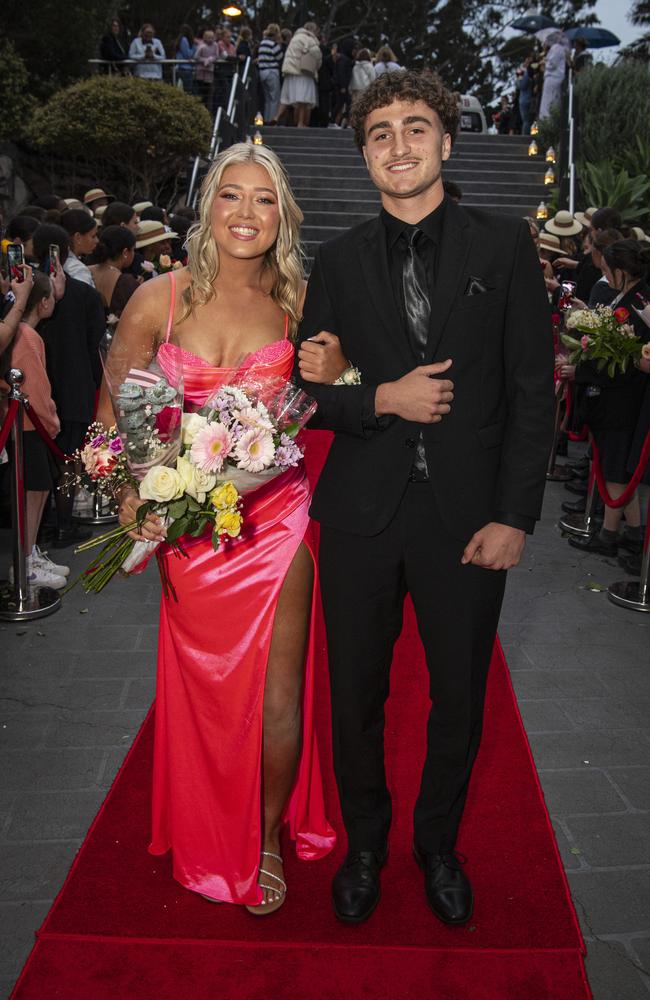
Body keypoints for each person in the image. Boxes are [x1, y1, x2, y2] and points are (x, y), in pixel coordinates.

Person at [295, 69, 554, 926]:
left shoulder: (503, 245)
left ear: (446, 140)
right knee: (356, 695)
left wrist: (515, 516)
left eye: (414, 128)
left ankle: (437, 844)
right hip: (362, 514)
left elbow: (530, 391)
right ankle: (366, 844)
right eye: (379, 133)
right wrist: (380, 398)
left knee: (459, 695)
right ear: (363, 154)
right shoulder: (333, 262)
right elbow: (306, 393)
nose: (398, 146)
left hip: (471, 519)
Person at [97, 143, 347, 913]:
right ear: (207, 206)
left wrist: (341, 374)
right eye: (231, 195)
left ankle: (266, 834)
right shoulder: (157, 300)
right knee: (208, 689)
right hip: (187, 530)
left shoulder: (305, 299)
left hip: (278, 522)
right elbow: (110, 421)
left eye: (264, 199)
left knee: (276, 693)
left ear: (284, 214)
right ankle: (208, 819)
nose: (246, 213)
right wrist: (129, 501)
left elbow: (340, 399)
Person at [568, 240, 650, 558]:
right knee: (614, 464)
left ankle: (610, 533)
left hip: (623, 397)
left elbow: (627, 356)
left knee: (616, 468)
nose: (603, 276)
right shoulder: (632, 296)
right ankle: (631, 531)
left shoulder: (638, 303)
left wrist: (583, 370)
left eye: (606, 271)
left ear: (619, 272)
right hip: (617, 395)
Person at [33, 224, 105, 548]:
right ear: (66, 252)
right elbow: (95, 346)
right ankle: (63, 524)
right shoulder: (86, 295)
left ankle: (45, 525)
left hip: (37, 387)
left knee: (45, 461)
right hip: (74, 385)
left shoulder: (27, 293)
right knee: (70, 458)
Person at [2, 272, 70, 588]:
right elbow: (37, 390)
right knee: (32, 493)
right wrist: (51, 421)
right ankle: (25, 562)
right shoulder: (28, 336)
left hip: (25, 424)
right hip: (29, 425)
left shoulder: (21, 332)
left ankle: (29, 554)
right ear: (42, 302)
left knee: (36, 491)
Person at [277, 22, 322, 129]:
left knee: (285, 98)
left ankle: (276, 118)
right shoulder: (309, 39)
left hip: (290, 71)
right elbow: (317, 54)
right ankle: (300, 123)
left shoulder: (295, 38)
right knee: (303, 100)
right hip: (303, 72)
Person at [89, 226, 139, 321]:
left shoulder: (85, 270)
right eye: (133, 250)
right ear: (125, 252)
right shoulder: (125, 282)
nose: (134, 254)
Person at [60, 209, 98, 286]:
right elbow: (85, 297)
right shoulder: (78, 270)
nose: (97, 240)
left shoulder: (55, 261)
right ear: (78, 237)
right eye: (93, 236)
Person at [257, 23, 283, 124]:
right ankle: (272, 120)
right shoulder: (274, 44)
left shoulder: (262, 43)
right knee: (274, 98)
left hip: (262, 72)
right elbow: (280, 57)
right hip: (272, 72)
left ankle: (266, 119)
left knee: (267, 98)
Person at [539, 36, 567, 120]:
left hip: (553, 79)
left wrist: (545, 63)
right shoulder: (555, 49)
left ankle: (548, 121)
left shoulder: (557, 48)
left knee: (550, 102)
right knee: (548, 103)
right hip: (552, 79)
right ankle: (546, 120)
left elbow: (552, 64)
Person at [194, 28, 219, 110]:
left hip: (210, 72)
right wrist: (204, 60)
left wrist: (210, 59)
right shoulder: (201, 46)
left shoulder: (215, 45)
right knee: (201, 92)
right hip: (201, 71)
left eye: (212, 37)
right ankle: (201, 109)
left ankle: (208, 110)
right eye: (209, 37)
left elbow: (216, 56)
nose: (211, 39)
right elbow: (196, 57)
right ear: (205, 38)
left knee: (209, 92)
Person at [175, 24, 197, 93]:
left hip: (184, 68)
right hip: (185, 68)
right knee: (188, 90)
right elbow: (187, 54)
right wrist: (194, 46)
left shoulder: (180, 40)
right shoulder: (184, 40)